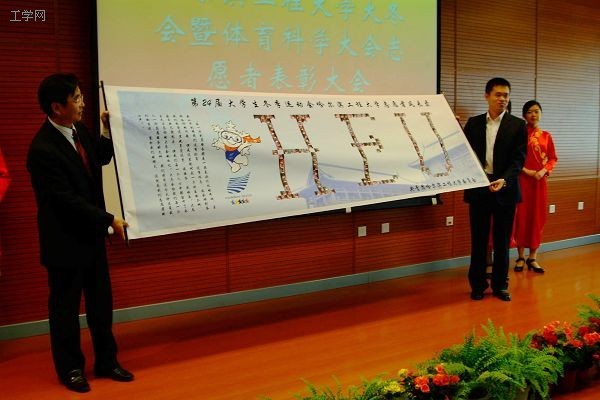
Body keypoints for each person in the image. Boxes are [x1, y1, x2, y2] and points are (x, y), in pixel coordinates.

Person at [26, 73, 133, 393]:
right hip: (64, 242)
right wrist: (109, 219)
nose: (83, 102)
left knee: (101, 304)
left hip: (92, 238)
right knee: (65, 310)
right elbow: (65, 200)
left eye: (81, 96)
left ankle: (107, 361)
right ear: (57, 107)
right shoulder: (42, 149)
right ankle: (71, 368)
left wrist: (106, 129)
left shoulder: (79, 130)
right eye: (76, 98)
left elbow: (101, 157)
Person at [463, 77, 527, 302]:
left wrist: (504, 180)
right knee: (479, 240)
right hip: (480, 188)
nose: (502, 99)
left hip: (505, 188)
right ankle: (478, 285)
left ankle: (500, 285)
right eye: (498, 95)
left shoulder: (518, 125)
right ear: (487, 96)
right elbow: (465, 154)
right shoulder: (473, 123)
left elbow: (518, 160)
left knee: (502, 241)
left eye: (506, 95)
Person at [513, 100, 557, 273]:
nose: (533, 114)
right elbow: (513, 158)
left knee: (537, 218)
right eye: (530, 111)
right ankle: (520, 257)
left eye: (537, 111)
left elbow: (553, 158)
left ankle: (533, 258)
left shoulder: (546, 136)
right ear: (524, 115)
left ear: (541, 114)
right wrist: (527, 171)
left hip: (539, 183)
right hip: (522, 181)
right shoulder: (518, 135)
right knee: (521, 217)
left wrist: (544, 171)